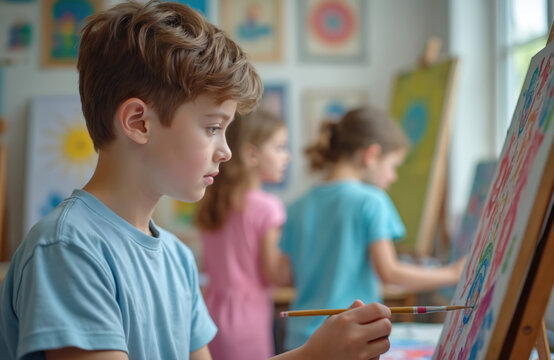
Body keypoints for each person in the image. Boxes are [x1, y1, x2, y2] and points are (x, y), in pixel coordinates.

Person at [0, 2, 392, 359]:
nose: (227, 151)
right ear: (138, 122)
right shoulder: (68, 249)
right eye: (211, 128)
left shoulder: (177, 258)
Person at [280, 106, 466, 350]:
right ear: (371, 155)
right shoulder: (371, 200)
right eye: (393, 165)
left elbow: (285, 275)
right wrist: (454, 273)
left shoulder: (297, 206)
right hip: (349, 340)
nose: (393, 176)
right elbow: (390, 273)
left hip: (300, 343)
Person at [195, 109, 292, 359]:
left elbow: (208, 264)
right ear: (251, 154)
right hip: (248, 322)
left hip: (209, 317)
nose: (287, 156)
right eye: (280, 147)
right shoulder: (267, 207)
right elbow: (274, 274)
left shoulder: (212, 203)